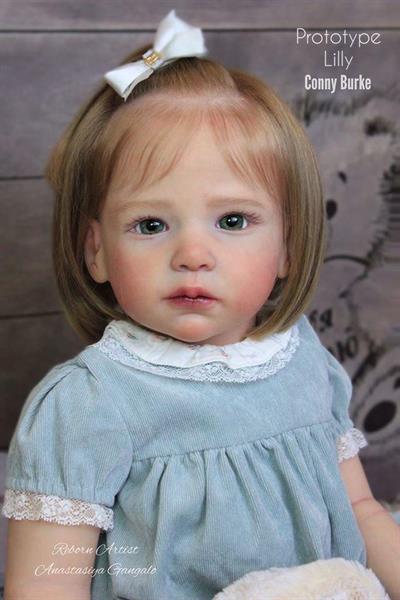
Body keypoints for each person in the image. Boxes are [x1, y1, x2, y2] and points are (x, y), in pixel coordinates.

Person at [2, 9, 399, 600]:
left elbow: (362, 511)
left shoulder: (303, 358)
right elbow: (47, 582)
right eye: (151, 224)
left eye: (232, 220)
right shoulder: (87, 405)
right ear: (96, 252)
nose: (192, 254)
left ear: (287, 246)